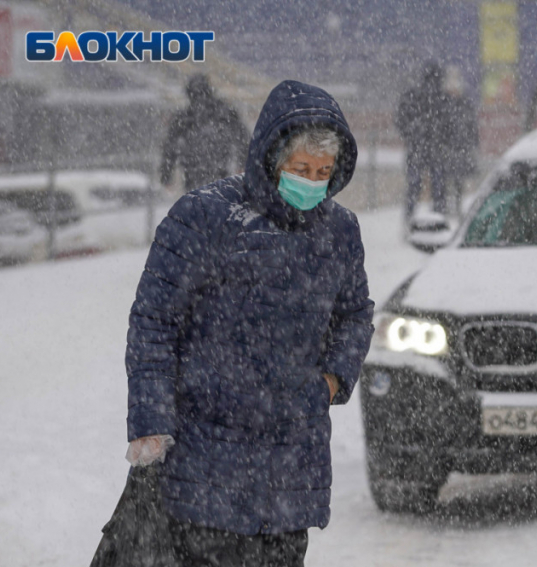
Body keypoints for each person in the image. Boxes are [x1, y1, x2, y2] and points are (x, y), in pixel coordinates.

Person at [124, 80, 375, 566]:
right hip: (204, 455)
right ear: (270, 157)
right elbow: (154, 322)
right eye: (300, 169)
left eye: (323, 173)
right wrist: (151, 419)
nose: (312, 182)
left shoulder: (340, 231)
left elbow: (354, 314)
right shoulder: (204, 217)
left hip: (291, 464)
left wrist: (331, 380)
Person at [160, 74, 249, 193]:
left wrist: (166, 174)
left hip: (192, 171)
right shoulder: (225, 112)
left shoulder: (185, 117)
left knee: (196, 205)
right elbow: (243, 137)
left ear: (189, 93)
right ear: (209, 90)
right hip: (220, 168)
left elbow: (170, 147)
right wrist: (243, 163)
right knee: (219, 201)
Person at [395, 61, 451, 226]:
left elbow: (400, 120)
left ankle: (408, 220)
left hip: (416, 148)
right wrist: (443, 139)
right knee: (438, 188)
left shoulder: (412, 95)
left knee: (414, 186)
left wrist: (412, 134)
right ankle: (439, 223)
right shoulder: (444, 98)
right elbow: (451, 125)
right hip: (436, 149)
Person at [443, 65, 479, 217]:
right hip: (449, 147)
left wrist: (473, 142)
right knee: (446, 179)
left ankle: (456, 206)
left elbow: (472, 125)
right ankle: (446, 207)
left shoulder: (463, 103)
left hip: (460, 147)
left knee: (458, 180)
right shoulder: (444, 103)